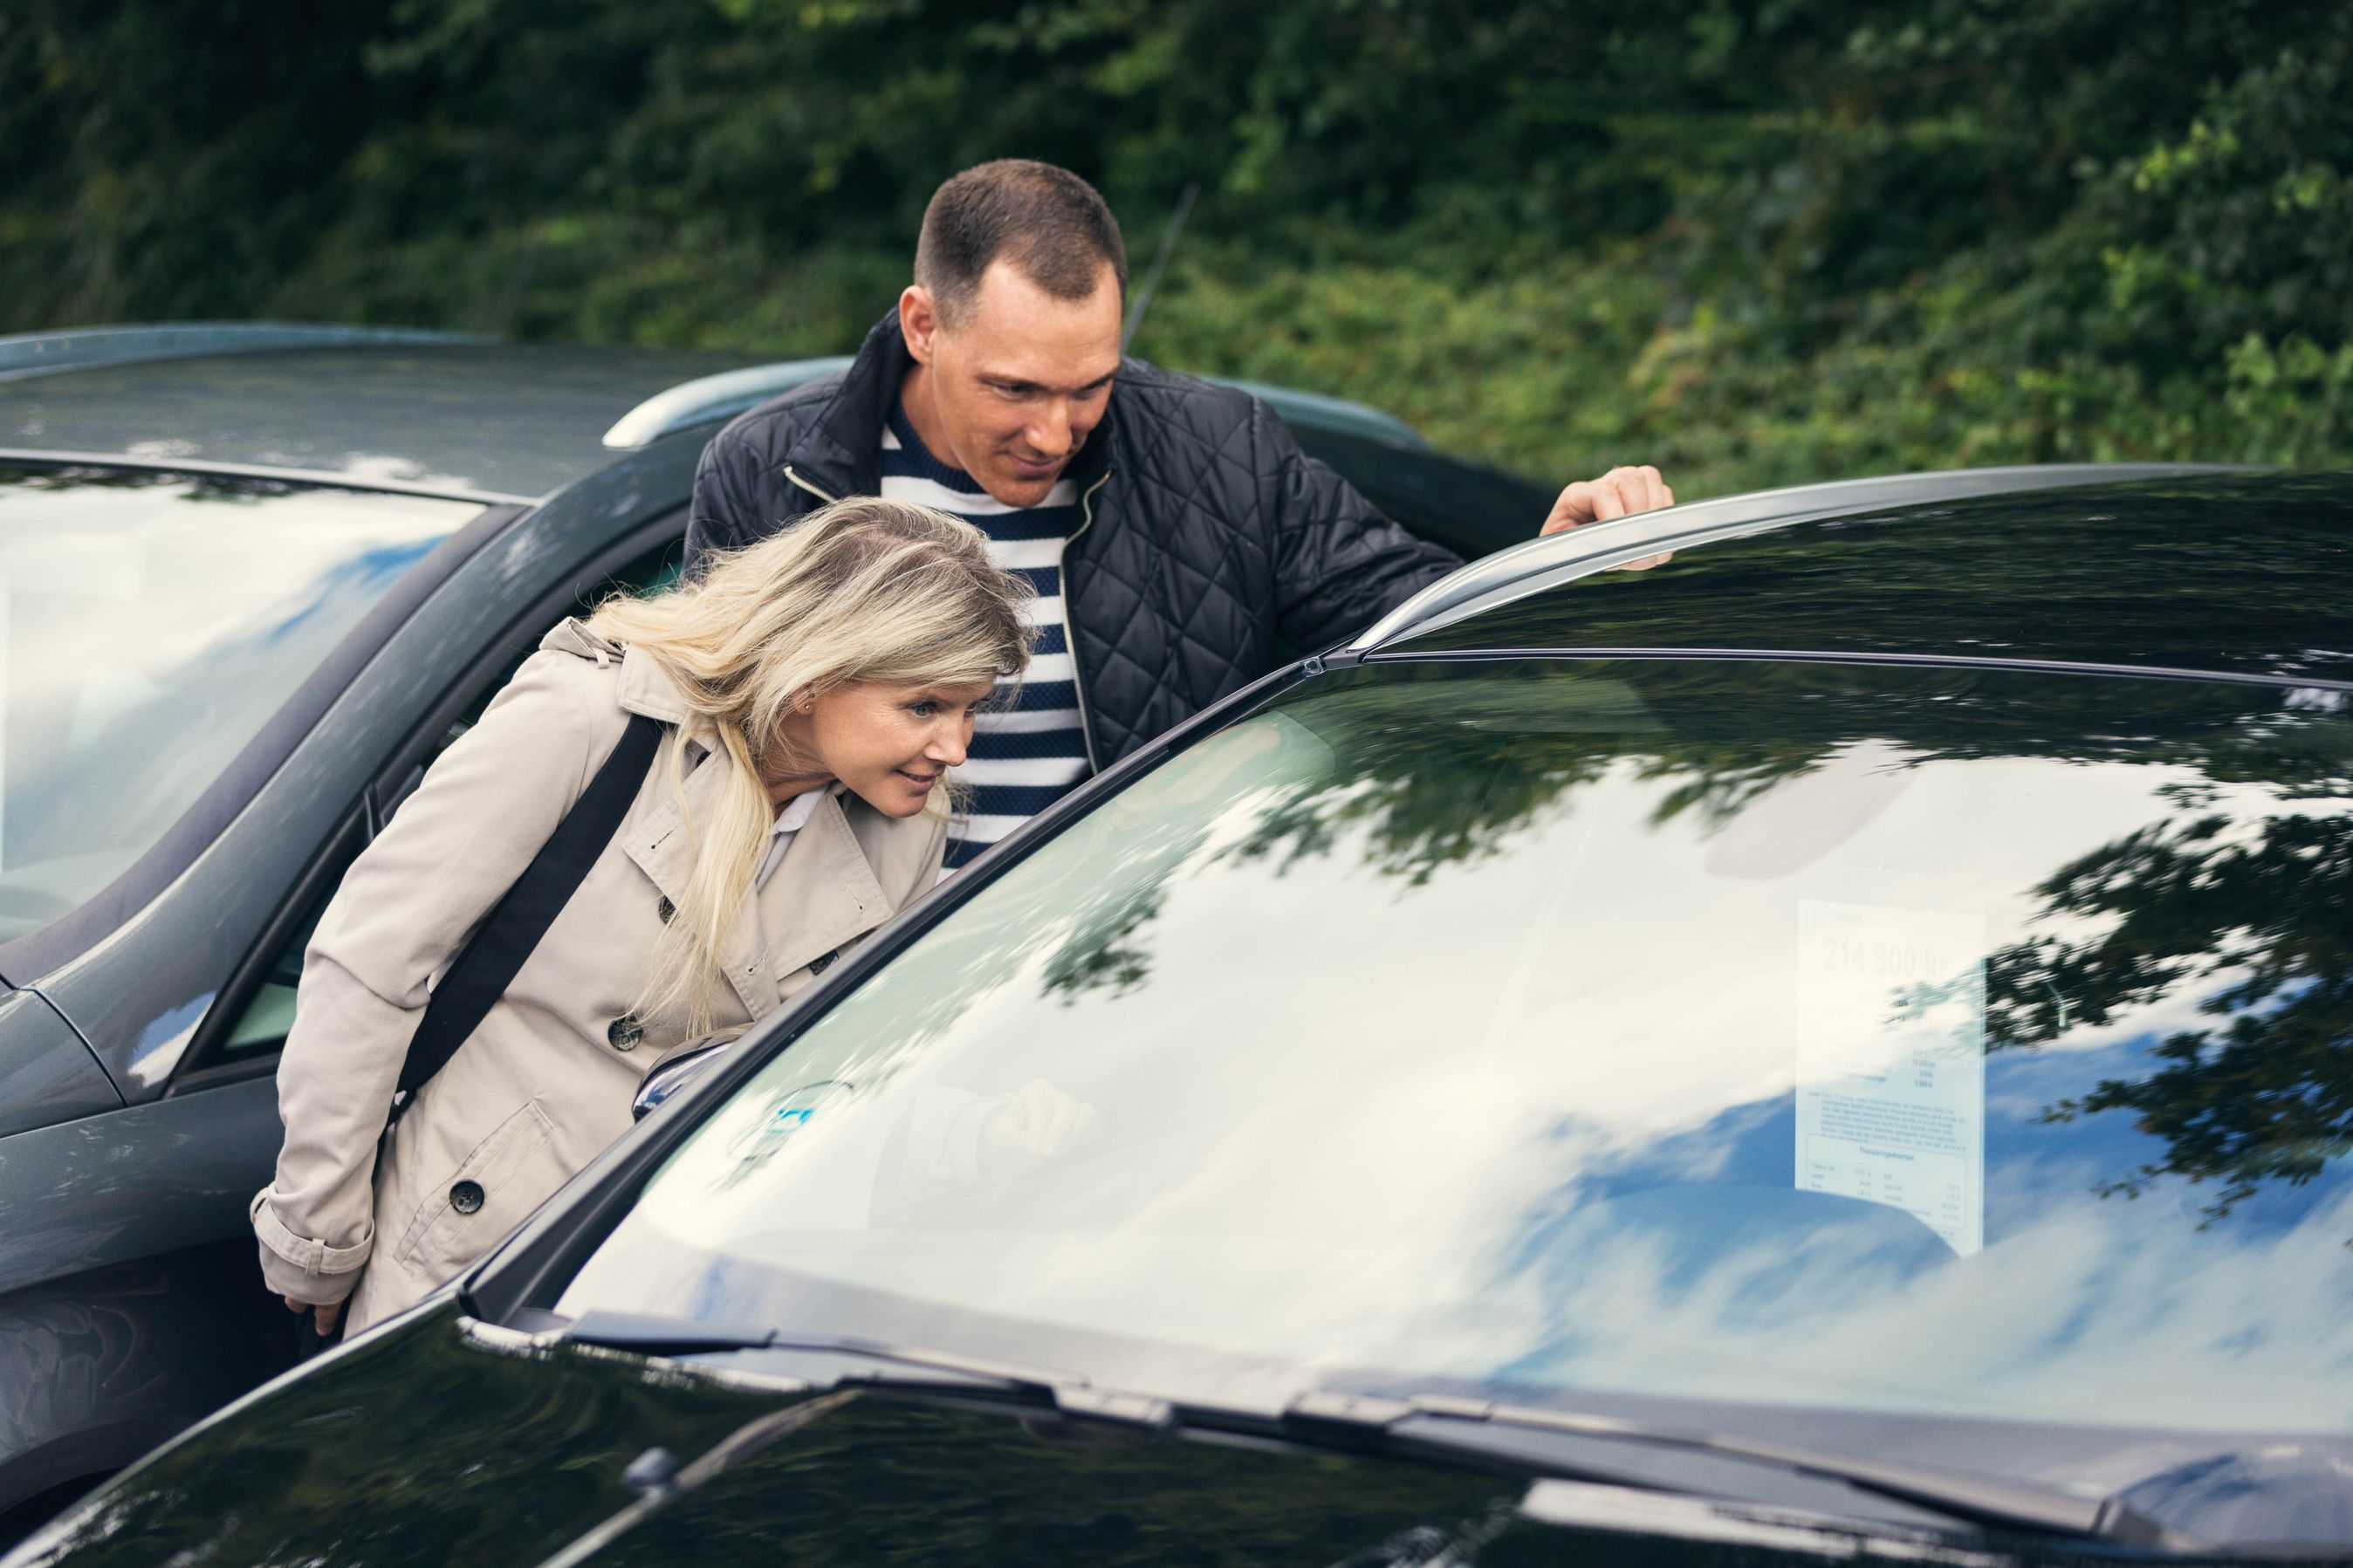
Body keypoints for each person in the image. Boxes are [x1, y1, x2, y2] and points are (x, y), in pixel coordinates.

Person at [687, 158, 1675, 870]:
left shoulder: (1218, 449)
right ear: (921, 324)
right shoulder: (772, 473)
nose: (1055, 431)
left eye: (1090, 388)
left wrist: (1544, 574)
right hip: (834, 1005)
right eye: (1016, 390)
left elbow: (1403, 621)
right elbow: (701, 760)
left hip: (1123, 980)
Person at [252, 497, 1035, 1336]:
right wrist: (317, 1235)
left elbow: (847, 1075)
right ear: (814, 676)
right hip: (475, 1257)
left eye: (971, 708)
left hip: (701, 1285)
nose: (957, 747)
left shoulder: (906, 827)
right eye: (924, 706)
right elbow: (372, 963)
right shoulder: (591, 717)